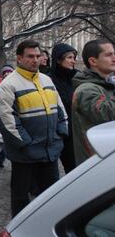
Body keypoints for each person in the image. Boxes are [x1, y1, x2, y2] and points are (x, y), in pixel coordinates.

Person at [0, 39, 67, 217]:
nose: (35, 60)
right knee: (20, 199)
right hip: (24, 155)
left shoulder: (47, 80)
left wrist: (60, 135)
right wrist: (27, 144)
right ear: (19, 58)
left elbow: (60, 110)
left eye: (38, 56)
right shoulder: (8, 84)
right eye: (30, 56)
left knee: (51, 197)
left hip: (49, 152)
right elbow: (8, 120)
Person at [72, 39, 115, 166]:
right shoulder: (86, 89)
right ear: (93, 61)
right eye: (108, 55)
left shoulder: (107, 85)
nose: (114, 58)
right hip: (97, 163)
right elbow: (108, 115)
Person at [49, 43, 78, 173]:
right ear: (59, 59)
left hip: (77, 131)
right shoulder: (50, 79)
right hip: (61, 132)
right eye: (70, 57)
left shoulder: (77, 78)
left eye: (74, 57)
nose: (73, 61)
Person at [0, 64, 14, 168]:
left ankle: (1, 156)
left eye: (9, 72)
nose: (7, 74)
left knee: (9, 141)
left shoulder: (15, 85)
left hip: (13, 116)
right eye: (5, 72)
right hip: (4, 117)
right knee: (10, 140)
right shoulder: (1, 87)